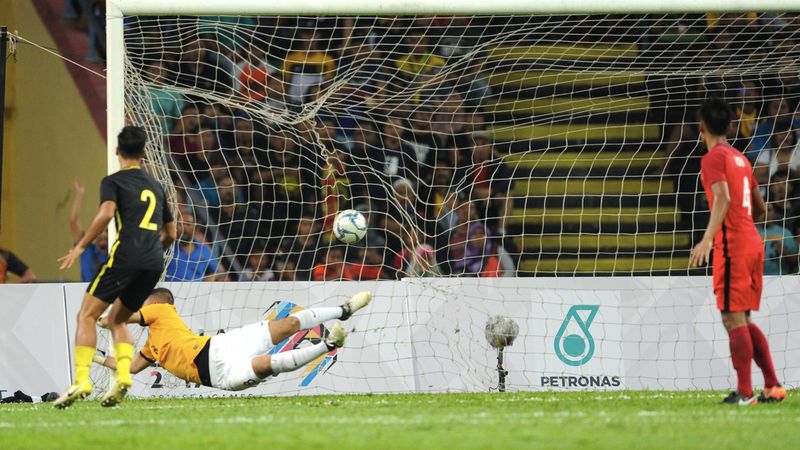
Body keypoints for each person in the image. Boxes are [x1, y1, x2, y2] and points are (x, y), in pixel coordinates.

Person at [54, 126, 177, 409]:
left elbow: (106, 214)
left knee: (86, 315)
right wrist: (151, 253)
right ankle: (123, 375)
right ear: (144, 153)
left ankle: (81, 380)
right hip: (153, 261)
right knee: (117, 320)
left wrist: (80, 246)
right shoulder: (156, 186)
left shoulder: (113, 181)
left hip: (126, 256)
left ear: (117, 151)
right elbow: (171, 233)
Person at [689, 98, 786, 405]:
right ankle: (772, 386)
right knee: (741, 318)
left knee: (732, 319)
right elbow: (760, 207)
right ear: (731, 126)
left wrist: (707, 238)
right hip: (751, 242)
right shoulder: (741, 158)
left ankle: (744, 393)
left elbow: (723, 198)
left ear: (701, 127)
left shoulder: (713, 159)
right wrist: (743, 225)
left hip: (733, 246)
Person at [95, 288, 372, 392]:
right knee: (267, 364)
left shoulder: (162, 310)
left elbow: (123, 318)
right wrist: (96, 357)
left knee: (288, 324)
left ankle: (343, 310)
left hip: (223, 345)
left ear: (155, 303)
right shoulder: (152, 346)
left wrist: (103, 318)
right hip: (219, 375)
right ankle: (329, 345)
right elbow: (131, 368)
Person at [69, 178, 109, 282]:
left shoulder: (115, 252)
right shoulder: (86, 248)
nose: (103, 234)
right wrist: (80, 194)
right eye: (100, 230)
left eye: (107, 231)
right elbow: (73, 222)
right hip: (86, 291)